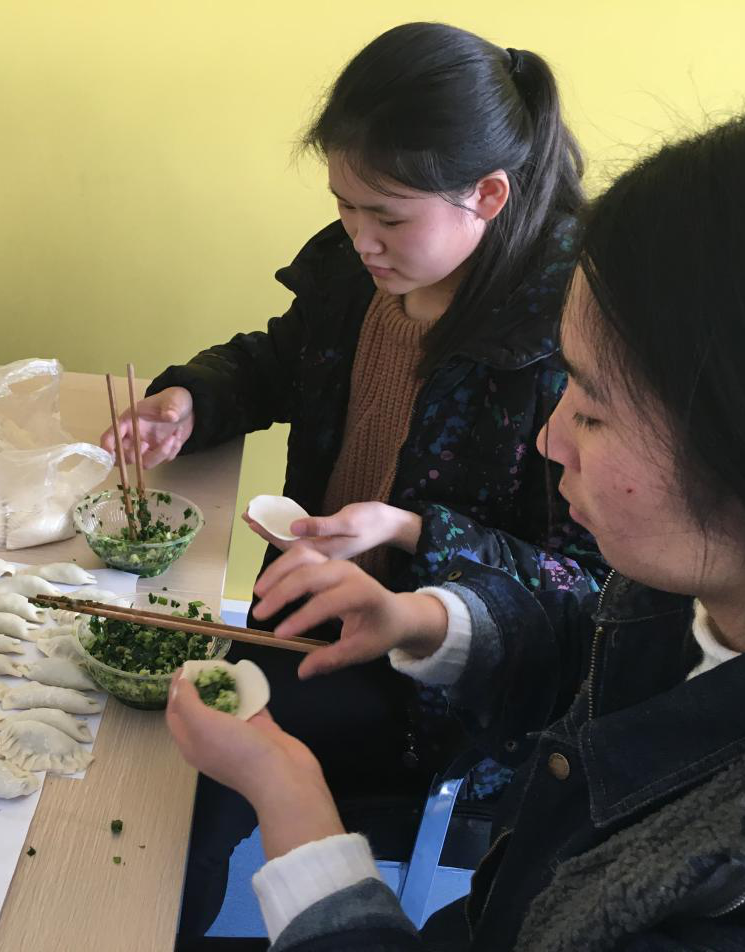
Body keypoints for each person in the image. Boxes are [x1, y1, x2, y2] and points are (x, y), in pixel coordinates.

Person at [168, 105, 745, 950]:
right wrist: (421, 618)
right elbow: (591, 639)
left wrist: (287, 794)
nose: (551, 439)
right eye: (346, 207)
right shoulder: (680, 595)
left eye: (593, 411)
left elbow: (568, 576)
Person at [103, 22, 603, 934]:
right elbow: (280, 358)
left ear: (487, 194)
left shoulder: (567, 343)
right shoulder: (359, 271)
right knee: (125, 685)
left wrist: (410, 531)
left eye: (388, 217)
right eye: (344, 206)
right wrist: (192, 400)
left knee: (181, 777)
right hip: (308, 598)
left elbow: (588, 593)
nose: (361, 239)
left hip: (427, 678)